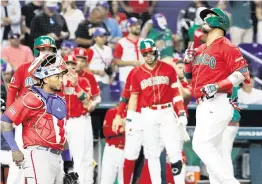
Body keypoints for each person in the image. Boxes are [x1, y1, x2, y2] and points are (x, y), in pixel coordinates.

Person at [184, 8, 250, 184]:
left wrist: (217, 85)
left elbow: (242, 74)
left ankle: (230, 182)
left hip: (218, 102)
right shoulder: (201, 48)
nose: (205, 19)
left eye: (210, 16)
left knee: (200, 145)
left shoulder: (227, 46)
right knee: (213, 150)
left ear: (220, 21)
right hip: (204, 104)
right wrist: (187, 65)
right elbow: (189, 78)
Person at [0, 53, 69, 184]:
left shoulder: (60, 99)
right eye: (57, 76)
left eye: (62, 76)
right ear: (46, 79)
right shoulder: (30, 97)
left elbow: (62, 133)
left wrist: (68, 163)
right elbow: (5, 120)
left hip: (58, 157)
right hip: (38, 155)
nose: (61, 80)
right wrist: (14, 149)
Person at [127, 39, 187, 184]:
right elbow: (134, 96)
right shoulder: (136, 73)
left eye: (150, 52)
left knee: (174, 151)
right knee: (151, 153)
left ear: (155, 50)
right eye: (145, 53)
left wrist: (181, 112)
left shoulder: (168, 69)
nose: (148, 55)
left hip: (167, 111)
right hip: (147, 113)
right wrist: (131, 119)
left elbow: (176, 93)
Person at [63, 47, 101, 184]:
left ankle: (85, 181)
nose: (77, 63)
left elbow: (91, 100)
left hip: (80, 119)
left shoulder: (86, 79)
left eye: (80, 60)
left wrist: (92, 104)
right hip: (62, 121)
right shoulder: (57, 80)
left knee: (83, 156)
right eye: (73, 61)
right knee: (65, 157)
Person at [114, 17, 144, 89]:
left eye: (138, 25)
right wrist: (132, 63)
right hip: (126, 78)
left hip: (142, 78)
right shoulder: (122, 43)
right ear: (129, 28)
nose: (138, 27)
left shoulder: (144, 41)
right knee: (126, 100)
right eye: (134, 25)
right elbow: (116, 61)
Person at [86, 27, 114, 102]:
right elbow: (84, 68)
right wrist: (97, 72)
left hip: (105, 80)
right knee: (93, 103)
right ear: (95, 38)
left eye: (105, 36)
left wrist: (111, 76)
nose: (104, 38)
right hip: (93, 81)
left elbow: (111, 65)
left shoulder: (109, 50)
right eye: (101, 36)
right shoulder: (90, 50)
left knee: (106, 103)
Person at [101, 106, 125, 184]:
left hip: (126, 150)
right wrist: (121, 130)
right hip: (112, 150)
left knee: (125, 181)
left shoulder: (134, 114)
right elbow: (106, 131)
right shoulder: (112, 111)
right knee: (106, 180)